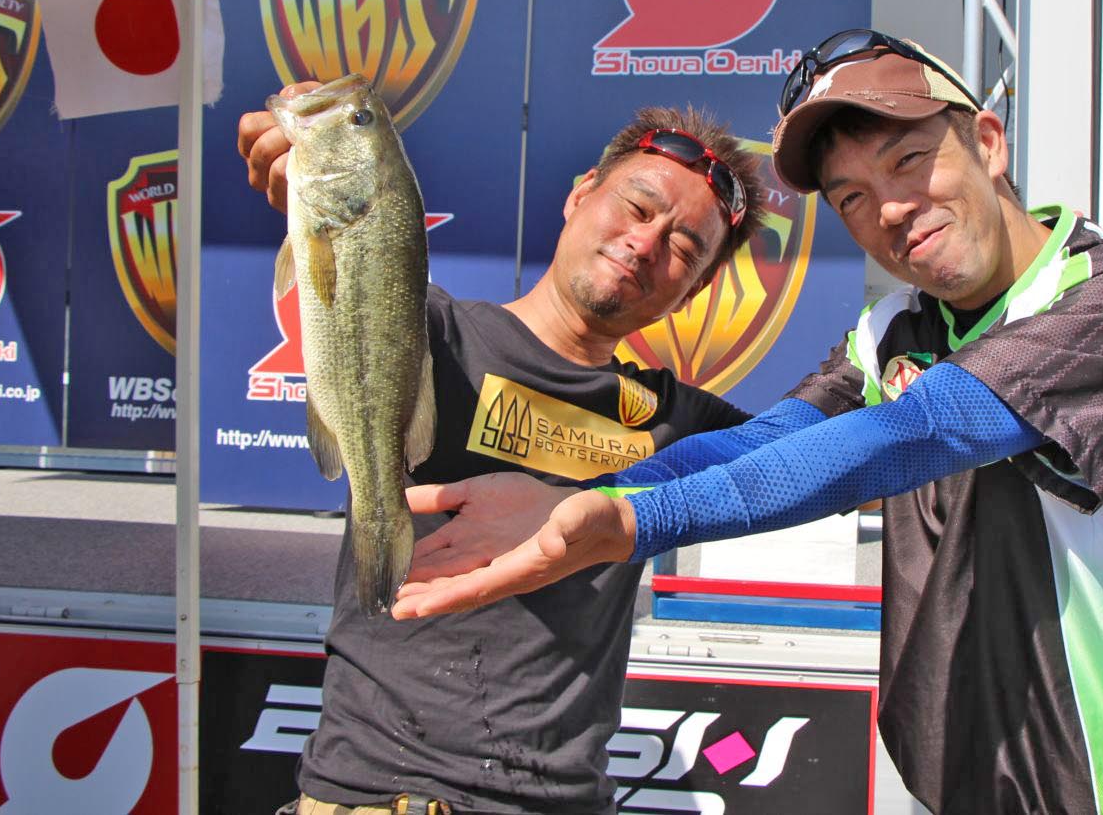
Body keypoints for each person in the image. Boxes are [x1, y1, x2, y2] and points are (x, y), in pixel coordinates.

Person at [389, 31, 1103, 815]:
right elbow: (771, 442)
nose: (891, 209)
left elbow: (921, 432)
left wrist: (634, 518)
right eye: (852, 197)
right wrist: (593, 497)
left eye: (910, 160)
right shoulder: (892, 330)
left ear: (989, 144)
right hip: (952, 786)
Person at [236, 92, 767, 815]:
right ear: (581, 194)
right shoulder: (432, 332)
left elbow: (846, 454)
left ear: (694, 290)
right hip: (374, 794)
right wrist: (308, 172)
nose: (645, 244)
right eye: (638, 207)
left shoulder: (684, 423)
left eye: (682, 248)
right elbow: (357, 254)